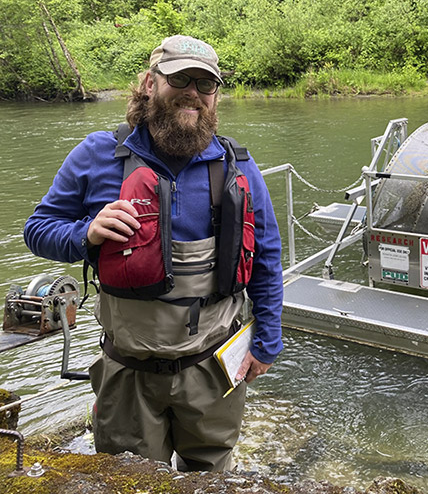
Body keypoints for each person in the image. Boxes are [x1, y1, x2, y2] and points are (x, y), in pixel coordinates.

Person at [24, 35, 284, 471]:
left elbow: (267, 257)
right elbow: (38, 230)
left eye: (206, 84)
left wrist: (267, 342)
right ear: (148, 83)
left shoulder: (238, 165)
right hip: (127, 371)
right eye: (180, 78)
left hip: (213, 368)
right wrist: (86, 233)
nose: (193, 93)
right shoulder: (96, 155)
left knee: (211, 474)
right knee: (129, 477)